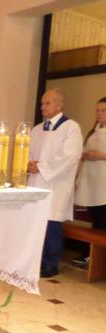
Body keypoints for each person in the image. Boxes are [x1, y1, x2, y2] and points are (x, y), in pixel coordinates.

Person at [27, 88, 83, 278]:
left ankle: (51, 263)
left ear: (60, 105)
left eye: (47, 103)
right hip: (36, 182)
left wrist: (41, 166)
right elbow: (29, 153)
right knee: (36, 223)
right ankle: (36, 260)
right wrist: (29, 164)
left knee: (51, 224)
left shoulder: (71, 128)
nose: (42, 107)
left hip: (56, 184)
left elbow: (70, 156)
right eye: (42, 103)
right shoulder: (37, 129)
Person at [72, 96, 106, 266]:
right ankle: (90, 255)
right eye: (97, 111)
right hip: (92, 181)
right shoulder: (94, 132)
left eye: (103, 111)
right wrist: (85, 155)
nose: (99, 114)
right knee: (96, 220)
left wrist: (101, 155)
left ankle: (95, 258)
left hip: (104, 184)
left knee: (103, 221)